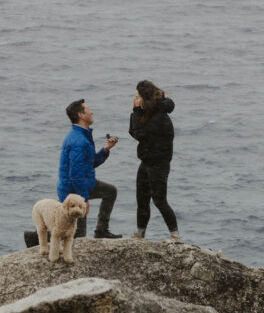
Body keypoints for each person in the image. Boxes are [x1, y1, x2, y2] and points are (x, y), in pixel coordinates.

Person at [57, 99, 121, 239]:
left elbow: (89, 163)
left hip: (84, 184)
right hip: (73, 190)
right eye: (88, 110)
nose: (91, 111)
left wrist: (105, 150)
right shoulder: (79, 140)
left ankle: (101, 231)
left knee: (110, 191)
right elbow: (75, 175)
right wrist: (83, 199)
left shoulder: (82, 135)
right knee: (78, 235)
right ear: (81, 115)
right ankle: (37, 237)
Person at [128, 80, 182, 242]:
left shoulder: (158, 117)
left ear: (145, 98)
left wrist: (136, 111)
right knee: (142, 200)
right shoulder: (152, 112)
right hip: (147, 161)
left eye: (137, 96)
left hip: (158, 164)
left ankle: (175, 236)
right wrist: (137, 112)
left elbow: (139, 134)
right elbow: (135, 132)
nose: (135, 99)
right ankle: (140, 233)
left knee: (159, 200)